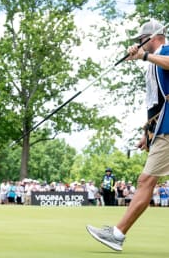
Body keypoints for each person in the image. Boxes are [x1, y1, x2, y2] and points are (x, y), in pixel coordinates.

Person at [87, 19, 169, 251]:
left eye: (141, 40)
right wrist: (147, 131)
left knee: (146, 180)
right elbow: (156, 102)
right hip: (161, 126)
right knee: (147, 180)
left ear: (154, 38)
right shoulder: (153, 64)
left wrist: (143, 56)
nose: (139, 44)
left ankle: (117, 234)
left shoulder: (165, 52)